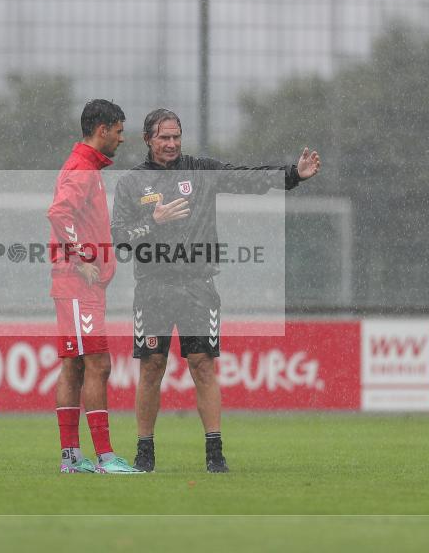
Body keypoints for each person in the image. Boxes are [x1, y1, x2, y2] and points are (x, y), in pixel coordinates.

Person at [111, 108, 321, 472]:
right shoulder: (131, 183)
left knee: (202, 365)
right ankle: (145, 452)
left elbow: (245, 178)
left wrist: (292, 175)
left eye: (176, 136)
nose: (172, 143)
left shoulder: (200, 170)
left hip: (198, 286)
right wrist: (152, 221)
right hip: (153, 288)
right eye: (164, 137)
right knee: (152, 367)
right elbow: (119, 239)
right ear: (148, 140)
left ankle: (214, 453)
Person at [47, 99, 141, 474]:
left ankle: (71, 457)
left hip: (75, 286)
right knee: (98, 365)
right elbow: (58, 212)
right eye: (118, 130)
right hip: (77, 287)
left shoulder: (86, 167)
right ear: (102, 129)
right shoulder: (82, 169)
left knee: (74, 367)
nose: (122, 138)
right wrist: (83, 258)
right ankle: (104, 457)